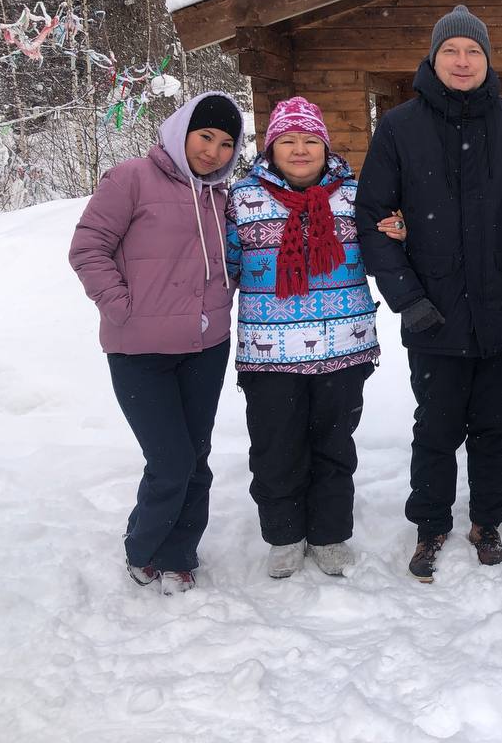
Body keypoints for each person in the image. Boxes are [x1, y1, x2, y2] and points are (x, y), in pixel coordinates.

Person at [354, 4, 502, 582]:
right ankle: (430, 524)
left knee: (494, 427)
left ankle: (487, 522)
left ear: (487, 59)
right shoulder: (400, 127)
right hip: (432, 314)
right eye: (451, 51)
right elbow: (373, 219)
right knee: (436, 429)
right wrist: (408, 299)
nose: (462, 61)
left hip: (501, 312)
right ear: (433, 58)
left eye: (473, 51)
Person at [69, 91, 244, 596]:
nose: (213, 151)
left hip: (206, 348)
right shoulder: (130, 178)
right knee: (170, 460)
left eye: (226, 143)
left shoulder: (222, 197)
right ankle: (142, 547)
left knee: (196, 457)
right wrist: (121, 307)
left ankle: (179, 554)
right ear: (181, 130)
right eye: (205, 136)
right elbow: (87, 248)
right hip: (139, 351)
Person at [226, 98, 392, 580]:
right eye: (288, 141)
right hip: (269, 354)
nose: (300, 150)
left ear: (325, 147)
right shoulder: (241, 198)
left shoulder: (356, 196)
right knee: (275, 447)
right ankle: (283, 535)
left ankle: (329, 534)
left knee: (334, 446)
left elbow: (378, 255)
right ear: (271, 148)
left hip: (343, 346)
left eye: (309, 141)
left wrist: (397, 234)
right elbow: (224, 268)